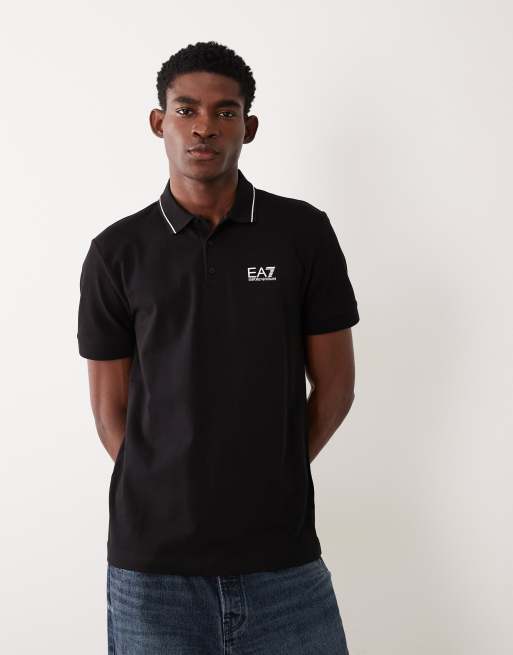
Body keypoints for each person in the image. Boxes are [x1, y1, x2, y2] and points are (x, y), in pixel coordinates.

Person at [77, 40, 359, 655]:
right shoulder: (116, 252)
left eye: (225, 112)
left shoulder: (302, 233)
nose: (204, 126)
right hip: (153, 575)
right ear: (160, 122)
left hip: (283, 564)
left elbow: (336, 387)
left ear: (248, 127)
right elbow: (108, 410)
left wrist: (275, 470)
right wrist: (168, 491)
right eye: (186, 110)